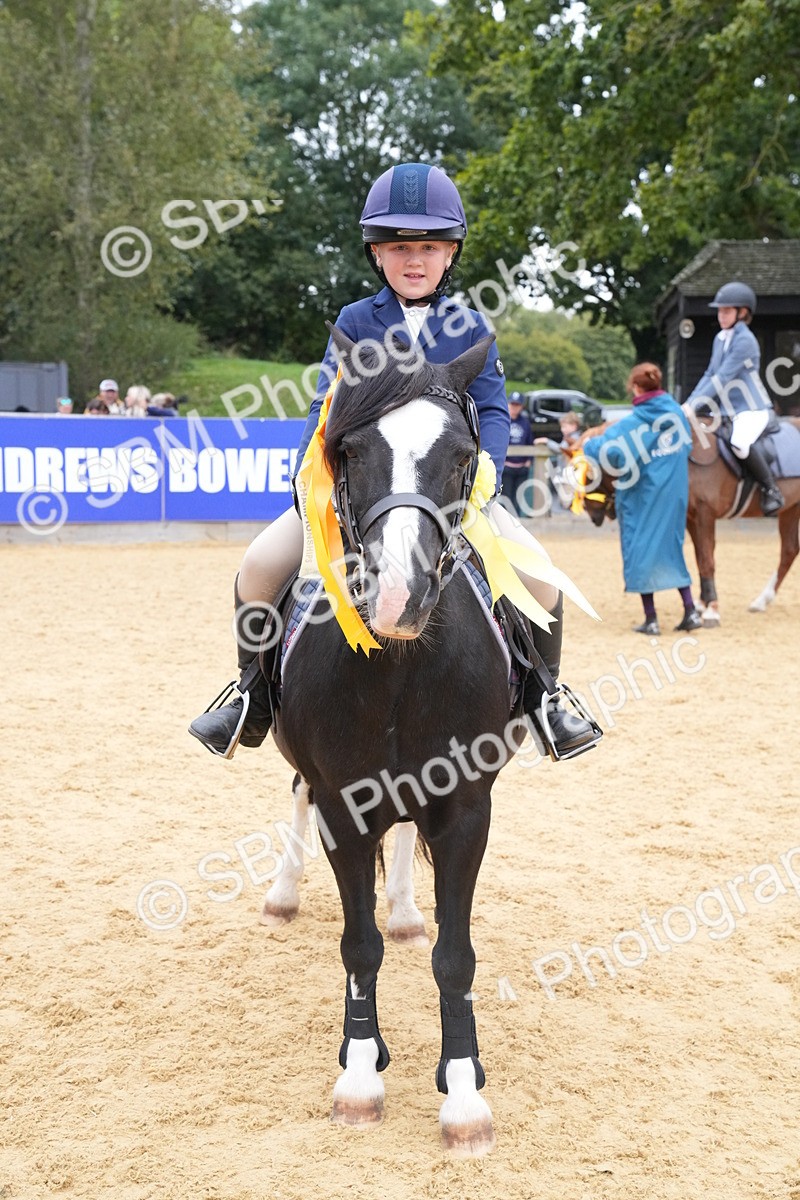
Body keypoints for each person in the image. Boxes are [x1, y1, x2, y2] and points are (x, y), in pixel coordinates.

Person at [189, 162, 601, 762]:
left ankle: (546, 699)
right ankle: (250, 695)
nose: (415, 260)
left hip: (453, 496)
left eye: (430, 247)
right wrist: (313, 477)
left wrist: (482, 470)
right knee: (257, 567)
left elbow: (491, 410)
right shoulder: (358, 322)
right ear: (376, 254)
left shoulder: (470, 326)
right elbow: (325, 407)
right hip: (363, 494)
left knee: (540, 578)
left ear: (451, 252)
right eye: (400, 247)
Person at [584, 362, 701, 635]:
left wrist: (588, 443)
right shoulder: (677, 414)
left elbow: (610, 453)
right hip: (674, 494)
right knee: (672, 549)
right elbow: (687, 446)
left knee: (640, 550)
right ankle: (691, 610)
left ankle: (651, 619)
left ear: (636, 388)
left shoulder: (634, 422)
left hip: (643, 495)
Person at [685, 281, 783, 516]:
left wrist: (696, 405)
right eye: (719, 310)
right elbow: (710, 373)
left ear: (743, 313)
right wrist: (689, 403)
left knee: (739, 442)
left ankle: (771, 489)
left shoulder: (745, 341)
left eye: (727, 311)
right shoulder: (720, 338)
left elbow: (724, 378)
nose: (721, 315)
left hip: (751, 408)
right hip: (728, 409)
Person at [501, 392, 534, 516]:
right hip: (507, 466)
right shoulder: (502, 421)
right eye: (512, 404)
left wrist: (528, 460)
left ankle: (517, 522)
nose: (514, 407)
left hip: (521, 467)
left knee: (519, 497)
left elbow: (529, 441)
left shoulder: (525, 423)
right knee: (506, 497)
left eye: (517, 405)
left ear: (521, 407)